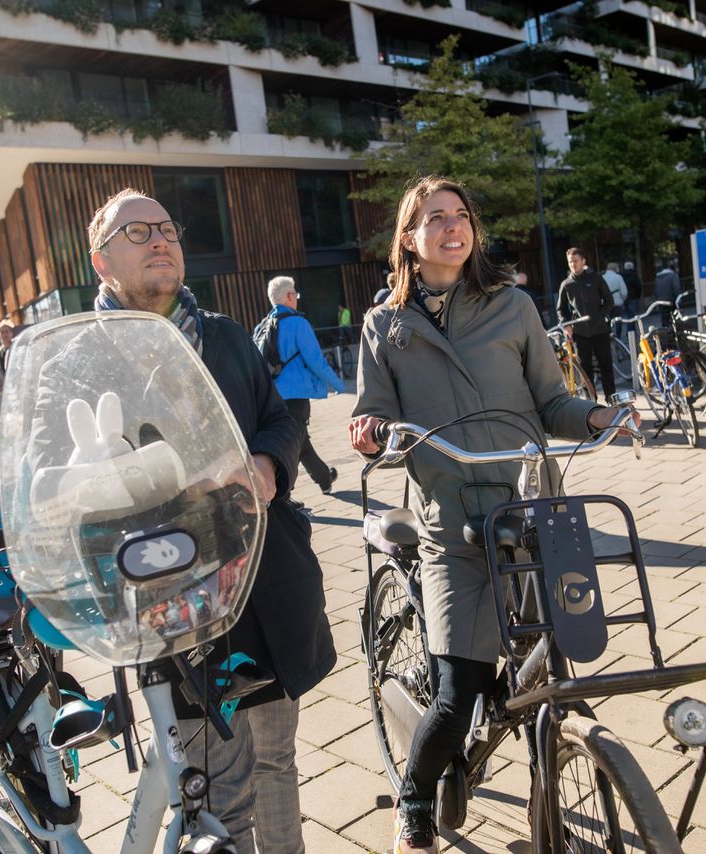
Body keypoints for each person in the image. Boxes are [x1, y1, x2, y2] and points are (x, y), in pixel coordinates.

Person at [348, 175, 635, 854]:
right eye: (435, 218)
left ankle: (545, 777)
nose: (453, 226)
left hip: (531, 513)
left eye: (461, 215)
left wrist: (597, 416)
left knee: (548, 671)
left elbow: (552, 403)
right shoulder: (386, 325)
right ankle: (415, 802)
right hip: (451, 527)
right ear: (409, 239)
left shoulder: (513, 306)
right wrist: (371, 433)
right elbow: (373, 415)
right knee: (458, 695)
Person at [85, 188, 336, 853]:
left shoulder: (224, 335)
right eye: (137, 231)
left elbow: (279, 419)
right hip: (172, 604)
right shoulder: (83, 358)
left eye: (167, 228)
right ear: (100, 260)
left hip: (264, 585)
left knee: (276, 760)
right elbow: (65, 475)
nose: (159, 239)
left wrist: (268, 465)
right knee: (216, 785)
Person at [264, 275, 344, 494]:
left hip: (272, 396)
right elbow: (316, 361)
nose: (297, 299)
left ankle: (324, 479)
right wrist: (339, 385)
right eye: (295, 294)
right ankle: (283, 494)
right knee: (293, 444)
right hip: (296, 396)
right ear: (289, 296)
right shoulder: (298, 324)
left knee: (300, 440)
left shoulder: (263, 326)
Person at [556, 248, 617, 399]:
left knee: (606, 366)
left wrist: (600, 316)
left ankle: (611, 399)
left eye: (576, 261)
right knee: (585, 370)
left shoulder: (595, 278)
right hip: (580, 333)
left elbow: (609, 300)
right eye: (570, 262)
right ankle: (591, 402)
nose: (573, 264)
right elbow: (560, 309)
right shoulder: (566, 284)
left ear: (583, 261)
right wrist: (566, 324)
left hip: (600, 330)